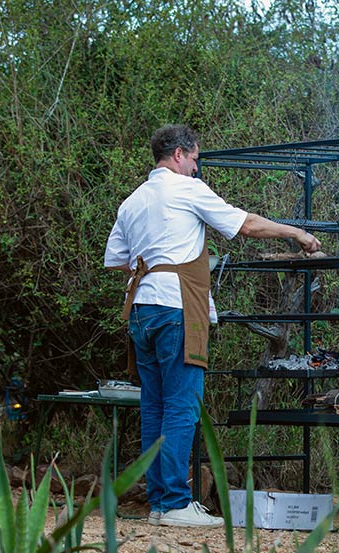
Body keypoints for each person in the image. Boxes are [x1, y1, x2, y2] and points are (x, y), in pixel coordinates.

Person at [104, 124, 321, 528]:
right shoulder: (185, 189)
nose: (196, 168)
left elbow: (118, 258)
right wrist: (297, 233)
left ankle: (159, 501)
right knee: (183, 405)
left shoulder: (133, 200)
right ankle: (172, 503)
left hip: (141, 308)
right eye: (195, 160)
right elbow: (246, 225)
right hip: (178, 306)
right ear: (181, 155)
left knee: (153, 406)